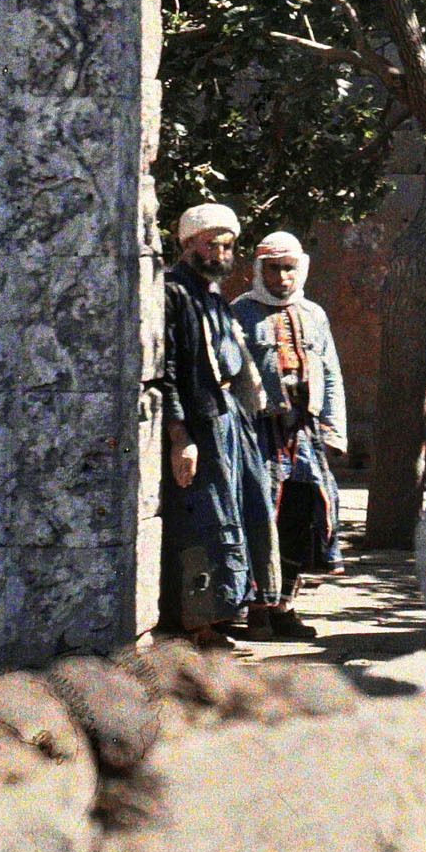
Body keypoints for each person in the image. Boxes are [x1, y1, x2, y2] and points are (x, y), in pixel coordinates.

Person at [160, 202, 279, 646]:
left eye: (227, 246)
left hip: (229, 417)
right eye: (212, 244)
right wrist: (180, 437)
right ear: (188, 243)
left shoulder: (212, 295)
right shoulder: (174, 293)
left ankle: (227, 614)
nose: (220, 253)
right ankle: (198, 626)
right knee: (206, 521)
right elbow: (169, 370)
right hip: (202, 424)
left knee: (243, 512)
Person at [233, 230, 349, 643]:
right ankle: (256, 610)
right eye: (274, 269)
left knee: (302, 517)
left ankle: (285, 607)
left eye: (289, 268)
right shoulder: (240, 313)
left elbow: (330, 373)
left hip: (305, 433)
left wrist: (334, 430)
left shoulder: (314, 314)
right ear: (258, 270)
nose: (282, 278)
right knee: (260, 515)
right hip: (259, 433)